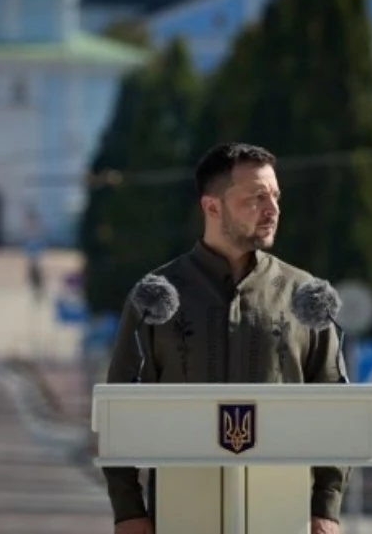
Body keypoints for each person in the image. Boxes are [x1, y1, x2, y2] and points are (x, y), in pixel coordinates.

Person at [102, 142, 348, 534]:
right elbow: (118, 409)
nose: (273, 209)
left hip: (282, 514)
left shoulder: (306, 296)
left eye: (276, 196)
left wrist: (326, 507)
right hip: (181, 512)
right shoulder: (155, 296)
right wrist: (128, 510)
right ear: (212, 207)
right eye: (257, 198)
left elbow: (336, 408)